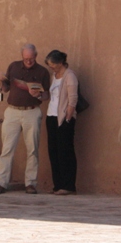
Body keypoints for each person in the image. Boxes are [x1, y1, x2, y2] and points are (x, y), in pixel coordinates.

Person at [0, 44, 50, 194]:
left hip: (32, 111)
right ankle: (1, 182)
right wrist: (1, 81)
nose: (28, 61)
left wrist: (39, 95)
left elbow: (47, 95)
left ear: (36, 56)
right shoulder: (14, 67)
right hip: (13, 111)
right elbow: (5, 89)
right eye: (26, 59)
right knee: (7, 148)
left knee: (33, 149)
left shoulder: (42, 72)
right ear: (21, 56)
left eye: (31, 58)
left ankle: (30, 183)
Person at [44, 49, 79, 195]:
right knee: (54, 151)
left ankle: (68, 185)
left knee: (65, 151)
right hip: (51, 116)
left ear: (60, 63)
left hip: (64, 118)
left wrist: (68, 118)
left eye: (52, 64)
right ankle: (57, 184)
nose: (50, 66)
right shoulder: (54, 76)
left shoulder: (70, 76)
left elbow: (73, 99)